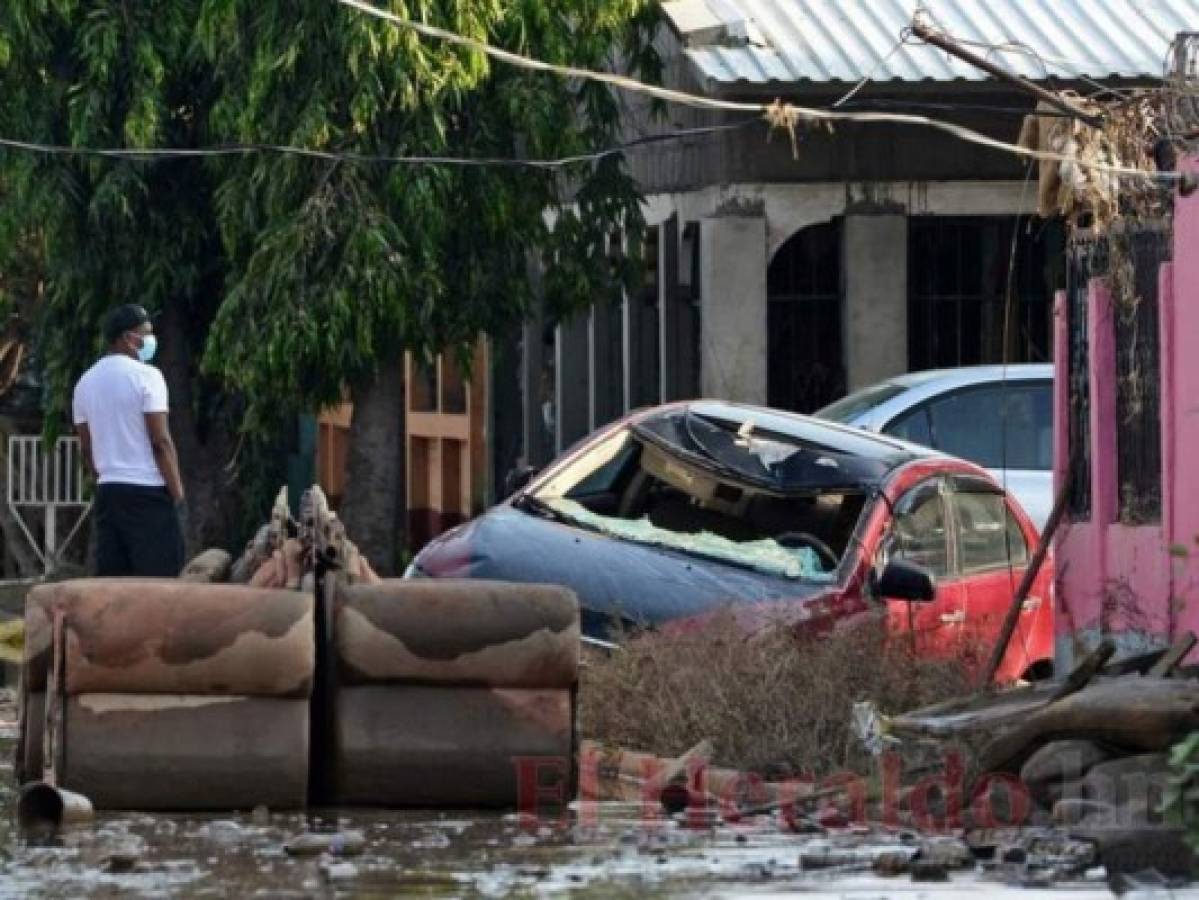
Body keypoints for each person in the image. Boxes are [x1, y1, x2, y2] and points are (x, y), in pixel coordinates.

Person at [73, 304, 186, 576]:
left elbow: (87, 448)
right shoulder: (148, 376)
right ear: (127, 338)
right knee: (159, 585)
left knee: (114, 586)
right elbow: (160, 441)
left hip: (108, 494)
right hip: (148, 493)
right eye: (145, 334)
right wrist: (177, 492)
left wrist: (104, 477)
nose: (150, 340)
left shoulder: (85, 383)